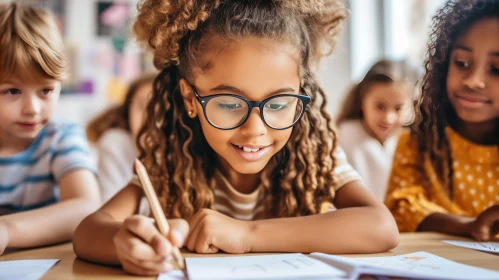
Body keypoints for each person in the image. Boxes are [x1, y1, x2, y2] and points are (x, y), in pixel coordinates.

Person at [73, 0, 399, 276]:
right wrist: (125, 244)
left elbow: (380, 227)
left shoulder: (315, 154)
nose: (255, 129)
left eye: (279, 103)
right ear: (190, 98)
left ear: (301, 92)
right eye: (229, 104)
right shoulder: (170, 158)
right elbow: (88, 232)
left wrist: (246, 234)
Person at [385, 0, 499, 241]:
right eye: (462, 63)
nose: (473, 80)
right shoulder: (419, 142)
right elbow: (399, 207)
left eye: (496, 69)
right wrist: (469, 225)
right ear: (444, 65)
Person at [0, 3, 100, 255]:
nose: (32, 108)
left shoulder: (61, 137)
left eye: (46, 90)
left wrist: (5, 231)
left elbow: (86, 207)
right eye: (13, 91)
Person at [336, 59, 419, 201]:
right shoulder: (344, 137)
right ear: (363, 100)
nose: (388, 118)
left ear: (412, 106)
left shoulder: (411, 142)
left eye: (398, 108)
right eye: (380, 106)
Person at [87, 73, 156, 203]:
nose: (148, 117)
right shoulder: (114, 143)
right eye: (141, 106)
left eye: (159, 108)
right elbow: (109, 209)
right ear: (127, 112)